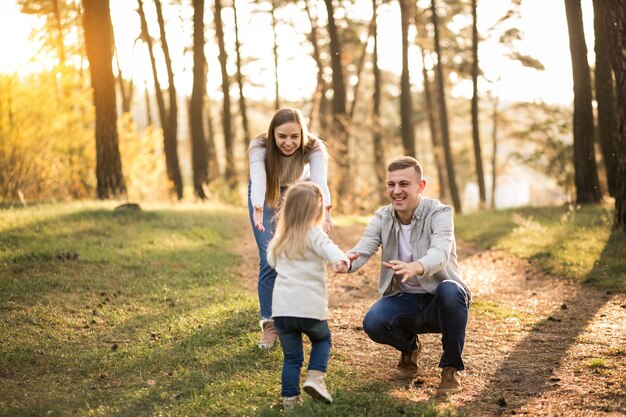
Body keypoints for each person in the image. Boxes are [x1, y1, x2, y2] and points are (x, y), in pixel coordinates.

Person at [344, 156, 471, 395]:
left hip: (441, 300)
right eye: (391, 184)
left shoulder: (439, 212)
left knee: (451, 290)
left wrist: (416, 266)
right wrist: (343, 261)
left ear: (420, 186)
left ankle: (450, 368)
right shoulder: (383, 217)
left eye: (404, 184)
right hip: (405, 301)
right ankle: (410, 347)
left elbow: (440, 253)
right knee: (374, 322)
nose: (396, 191)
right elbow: (363, 249)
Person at [248, 108, 333, 349]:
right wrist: (257, 205)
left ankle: (301, 313)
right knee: (269, 256)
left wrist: (325, 209)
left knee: (298, 253)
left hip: (298, 192)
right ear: (273, 135)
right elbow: (259, 178)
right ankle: (269, 324)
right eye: (282, 136)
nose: (288, 142)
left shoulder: (314, 147)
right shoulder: (259, 146)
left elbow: (319, 181)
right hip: (266, 192)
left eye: (294, 136)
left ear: (302, 135)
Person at [266, 182, 348, 408]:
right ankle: (315, 377)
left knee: (292, 358)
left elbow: (272, 262)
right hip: (310, 309)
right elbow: (331, 250)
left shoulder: (279, 239)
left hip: (282, 312)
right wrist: (341, 261)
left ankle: (290, 402)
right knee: (322, 339)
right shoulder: (315, 234)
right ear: (316, 210)